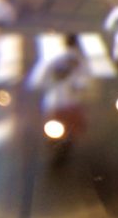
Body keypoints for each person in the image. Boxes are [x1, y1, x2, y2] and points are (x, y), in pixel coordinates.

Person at [30, 33, 90, 161]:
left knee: (52, 129)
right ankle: (66, 146)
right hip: (72, 103)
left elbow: (37, 80)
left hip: (54, 102)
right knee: (71, 131)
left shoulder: (53, 58)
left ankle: (53, 148)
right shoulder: (80, 61)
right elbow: (84, 82)